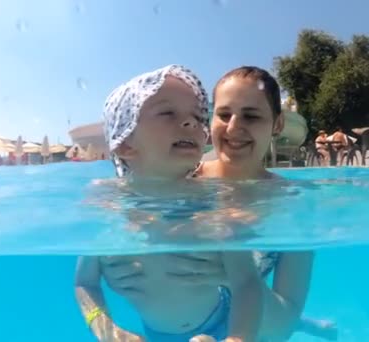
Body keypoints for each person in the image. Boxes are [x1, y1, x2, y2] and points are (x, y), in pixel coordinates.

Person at [103, 66, 337, 341]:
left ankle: (307, 325)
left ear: (277, 124)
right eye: (224, 115)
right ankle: (310, 325)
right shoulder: (177, 174)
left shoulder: (294, 205)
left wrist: (229, 278)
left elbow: (282, 325)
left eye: (251, 116)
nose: (234, 127)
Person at [75, 64, 264, 342]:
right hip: (155, 334)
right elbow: (84, 282)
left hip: (221, 322)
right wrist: (107, 331)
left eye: (197, 116)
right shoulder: (106, 207)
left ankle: (305, 326)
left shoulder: (215, 204)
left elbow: (247, 284)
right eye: (167, 112)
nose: (190, 122)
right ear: (126, 144)